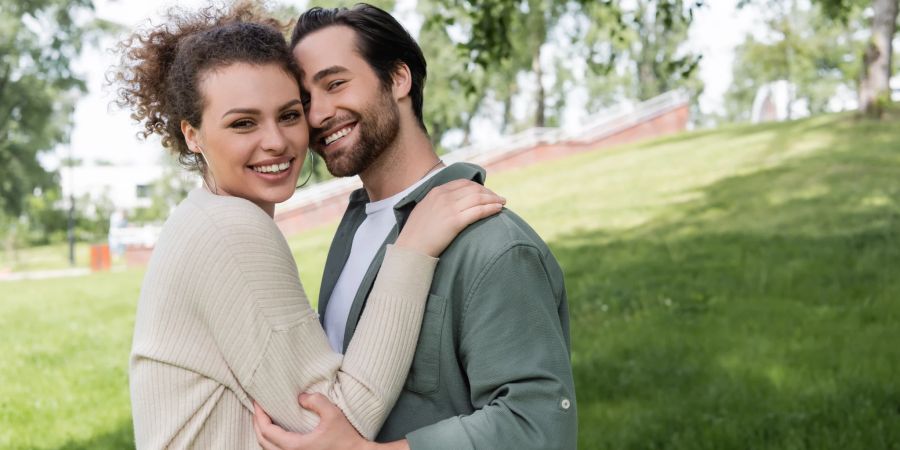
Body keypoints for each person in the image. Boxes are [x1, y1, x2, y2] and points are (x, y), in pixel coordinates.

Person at [112, 2, 505, 448]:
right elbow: (339, 423)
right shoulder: (229, 230)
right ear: (193, 135)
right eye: (243, 123)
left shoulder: (201, 217)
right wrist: (413, 249)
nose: (276, 142)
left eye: (289, 114)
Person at [254, 4, 578, 450]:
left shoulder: (494, 245)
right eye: (306, 100)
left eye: (336, 84)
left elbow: (538, 425)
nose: (317, 115)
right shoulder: (352, 233)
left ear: (399, 79)